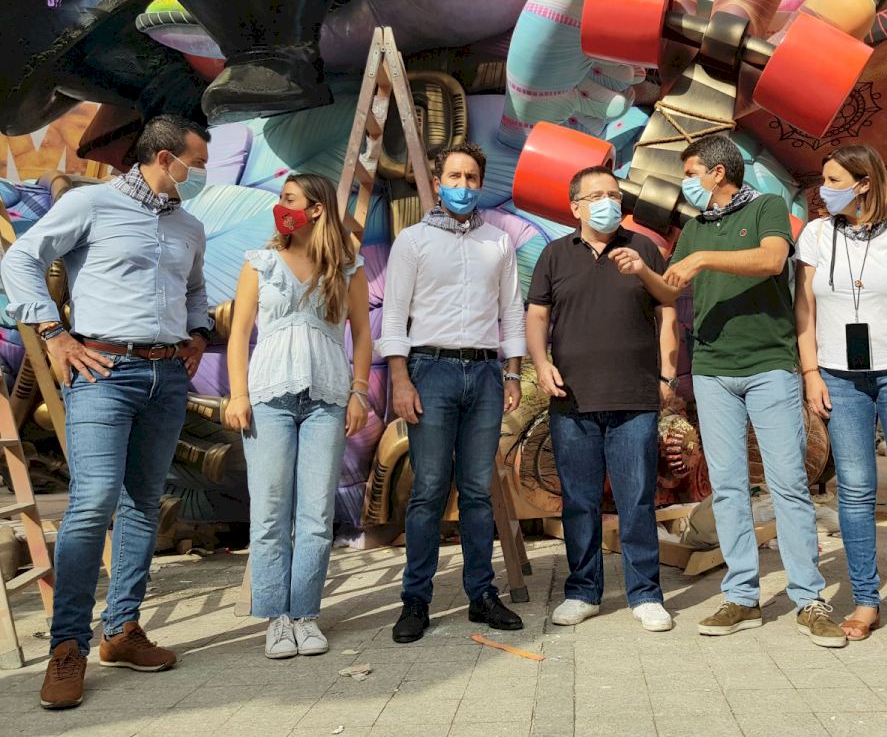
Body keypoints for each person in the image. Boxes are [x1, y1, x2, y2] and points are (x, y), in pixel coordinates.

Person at [1, 115, 213, 709]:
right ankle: (66, 647)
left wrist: (198, 332)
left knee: (143, 503)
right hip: (102, 372)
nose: (201, 174)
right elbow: (20, 259)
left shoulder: (190, 225)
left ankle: (121, 631)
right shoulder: (91, 203)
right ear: (165, 157)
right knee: (93, 501)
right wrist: (53, 334)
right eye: (196, 163)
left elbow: (195, 288)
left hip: (166, 376)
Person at [612, 134, 846, 647]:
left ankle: (809, 598)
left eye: (691, 173)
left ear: (718, 172)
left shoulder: (766, 207)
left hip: (768, 366)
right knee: (728, 487)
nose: (686, 184)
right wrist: (645, 270)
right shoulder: (695, 228)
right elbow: (671, 288)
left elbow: (771, 260)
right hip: (714, 371)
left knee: (787, 483)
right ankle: (742, 596)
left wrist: (702, 260)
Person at [794, 145, 887, 646]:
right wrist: (811, 372)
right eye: (823, 180)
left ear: (864, 184)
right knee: (855, 489)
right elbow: (804, 311)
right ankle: (865, 599)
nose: (824, 190)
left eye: (834, 180)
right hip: (840, 375)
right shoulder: (816, 235)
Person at [377, 143, 526, 643]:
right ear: (438, 183)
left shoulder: (497, 242)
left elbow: (512, 310)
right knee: (429, 490)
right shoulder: (413, 241)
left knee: (478, 491)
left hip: (484, 374)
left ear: (480, 183)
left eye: (472, 178)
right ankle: (415, 600)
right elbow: (395, 314)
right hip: (430, 370)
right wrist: (400, 379)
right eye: (454, 177)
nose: (463, 186)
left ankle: (481, 594)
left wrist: (513, 373)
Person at [225, 173, 372, 659]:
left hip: (327, 400)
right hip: (268, 399)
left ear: (316, 209)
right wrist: (238, 395)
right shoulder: (260, 263)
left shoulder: (348, 268)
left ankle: (306, 614)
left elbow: (363, 336)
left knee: (316, 515)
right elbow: (239, 333)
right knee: (269, 512)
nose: (280, 206)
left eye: (289, 199)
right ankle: (277, 619)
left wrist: (359, 393)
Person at [526, 166, 678, 633]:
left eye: (613, 194)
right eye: (596, 196)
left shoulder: (643, 247)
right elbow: (537, 315)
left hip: (635, 395)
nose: (608, 203)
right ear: (575, 207)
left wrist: (667, 374)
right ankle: (583, 591)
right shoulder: (554, 254)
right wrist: (541, 362)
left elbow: (668, 307)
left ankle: (646, 593)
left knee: (637, 500)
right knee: (579, 500)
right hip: (572, 397)